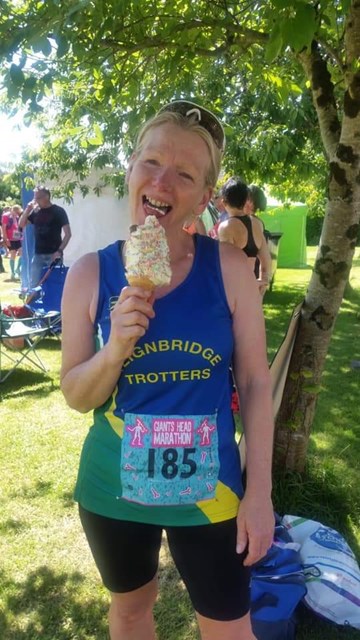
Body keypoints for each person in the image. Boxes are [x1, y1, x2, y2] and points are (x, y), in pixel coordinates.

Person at [60, 100, 275, 640]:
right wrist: (114, 351)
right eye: (151, 162)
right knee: (132, 611)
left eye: (184, 173)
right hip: (114, 490)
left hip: (213, 491)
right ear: (131, 168)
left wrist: (260, 493)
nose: (163, 182)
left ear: (205, 196)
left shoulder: (229, 269)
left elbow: (253, 381)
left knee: (229, 628)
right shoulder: (89, 274)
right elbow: (77, 395)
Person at [218, 177, 272, 297]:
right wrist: (263, 284)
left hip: (233, 291)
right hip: (251, 288)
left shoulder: (226, 227)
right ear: (245, 200)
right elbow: (266, 261)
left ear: (224, 202)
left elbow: (225, 266)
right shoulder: (257, 224)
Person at [18, 186, 71, 288]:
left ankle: (53, 303)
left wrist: (59, 251)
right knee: (34, 284)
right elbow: (21, 224)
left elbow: (68, 234)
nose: (35, 201)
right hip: (38, 255)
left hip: (54, 254)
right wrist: (27, 209)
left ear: (46, 197)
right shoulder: (36, 211)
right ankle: (33, 303)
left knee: (54, 284)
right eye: (35, 198)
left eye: (38, 198)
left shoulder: (58, 211)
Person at [1, 204, 23, 281]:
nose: (17, 214)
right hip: (10, 238)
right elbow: (3, 228)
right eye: (16, 212)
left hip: (18, 238)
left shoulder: (17, 216)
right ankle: (13, 273)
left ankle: (17, 269)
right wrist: (5, 239)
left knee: (22, 253)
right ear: (12, 210)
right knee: (12, 254)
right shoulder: (6, 216)